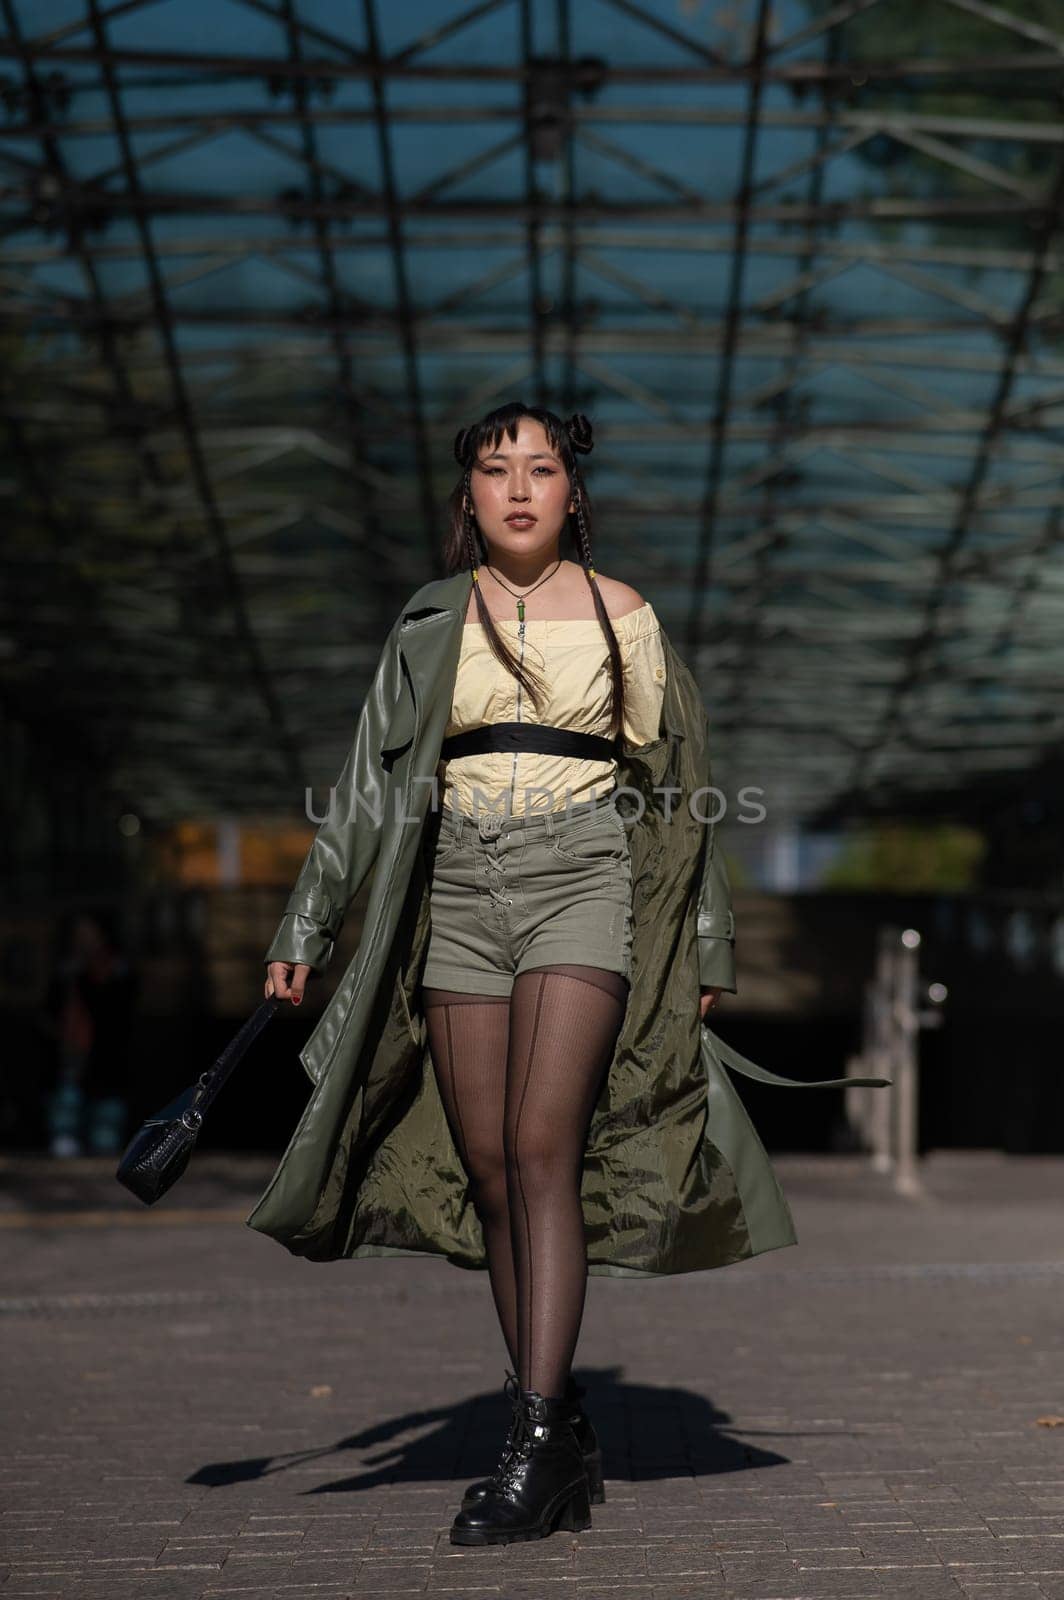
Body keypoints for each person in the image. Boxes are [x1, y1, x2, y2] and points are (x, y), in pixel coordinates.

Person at [258, 401, 886, 1546]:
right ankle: (557, 1423)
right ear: (468, 498)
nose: (516, 488)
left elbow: (682, 787)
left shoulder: (624, 615)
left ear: (570, 493)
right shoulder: (426, 622)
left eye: (538, 468)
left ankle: (535, 1436)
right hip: (460, 890)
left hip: (581, 880)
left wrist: (706, 943)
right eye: (494, 470)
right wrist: (305, 924)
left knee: (542, 1143)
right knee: (491, 1160)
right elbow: (363, 781)